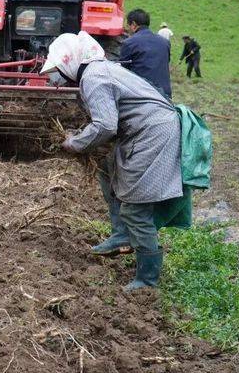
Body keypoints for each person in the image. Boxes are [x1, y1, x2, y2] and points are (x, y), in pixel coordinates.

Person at [41, 31, 183, 291]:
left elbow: (105, 125)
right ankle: (121, 235)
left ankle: (147, 280)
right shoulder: (98, 72)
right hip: (145, 129)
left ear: (70, 62)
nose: (55, 77)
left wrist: (75, 143)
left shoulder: (94, 78)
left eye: (57, 69)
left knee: (135, 207)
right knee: (107, 169)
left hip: (152, 133)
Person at [120, 9, 172, 98]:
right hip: (165, 95)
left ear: (133, 25)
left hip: (142, 96)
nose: (128, 30)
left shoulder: (129, 43)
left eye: (128, 26)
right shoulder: (165, 42)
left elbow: (123, 73)